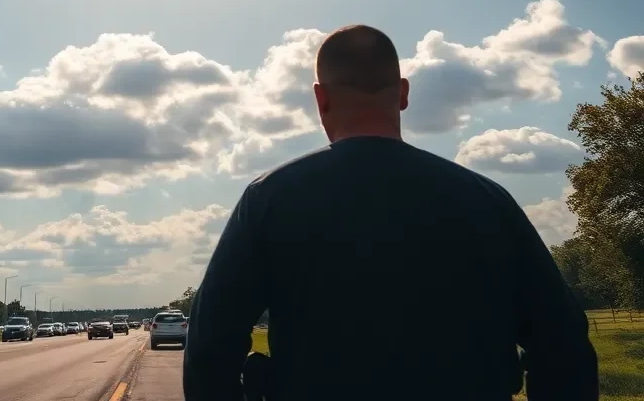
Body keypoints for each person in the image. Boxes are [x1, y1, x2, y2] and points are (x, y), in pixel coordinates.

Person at [183, 24, 598, 401]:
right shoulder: (487, 200)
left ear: (320, 98)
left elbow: (209, 349)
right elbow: (563, 345)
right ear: (403, 93)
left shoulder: (268, 201)